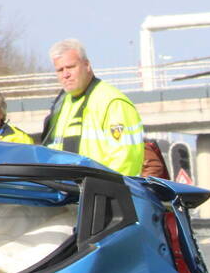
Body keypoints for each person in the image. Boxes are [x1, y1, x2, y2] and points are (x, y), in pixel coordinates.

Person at [41, 39, 144, 175]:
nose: (66, 74)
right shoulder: (62, 105)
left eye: (71, 67)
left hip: (104, 193)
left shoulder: (112, 102)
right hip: (70, 192)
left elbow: (125, 161)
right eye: (60, 70)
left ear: (87, 65)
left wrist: (101, 193)